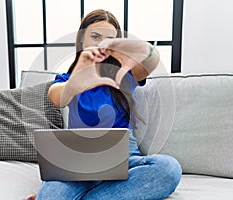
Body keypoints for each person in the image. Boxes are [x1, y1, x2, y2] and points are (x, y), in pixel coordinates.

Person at [28, 9, 181, 200]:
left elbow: (152, 58)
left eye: (110, 39)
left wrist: (130, 48)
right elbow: (57, 97)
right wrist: (75, 83)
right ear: (82, 40)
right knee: (53, 192)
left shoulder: (125, 76)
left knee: (169, 168)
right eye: (95, 36)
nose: (102, 44)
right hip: (77, 163)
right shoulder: (67, 79)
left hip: (125, 158)